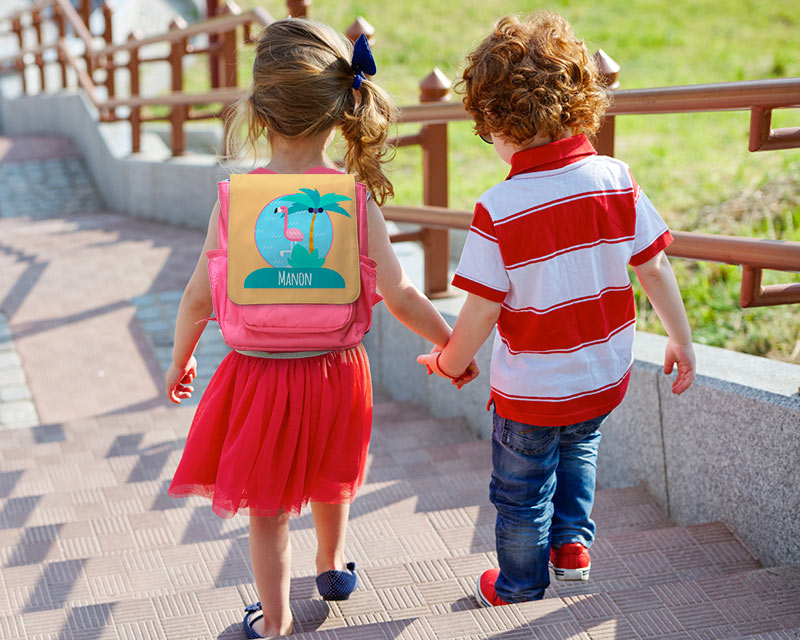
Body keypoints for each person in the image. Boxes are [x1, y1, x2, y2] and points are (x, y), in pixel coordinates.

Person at [164, 19, 475, 638]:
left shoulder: (236, 201)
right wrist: (451, 345)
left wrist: (182, 358)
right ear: (341, 112)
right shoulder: (354, 201)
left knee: (268, 507)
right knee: (336, 470)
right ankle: (332, 565)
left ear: (256, 115)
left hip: (257, 375)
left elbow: (199, 297)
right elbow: (402, 294)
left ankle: (275, 621)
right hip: (337, 373)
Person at [418, 11, 696, 606]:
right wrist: (681, 339)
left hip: (532, 391)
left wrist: (449, 361)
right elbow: (654, 265)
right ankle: (571, 549)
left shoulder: (500, 208)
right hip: (601, 375)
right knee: (579, 452)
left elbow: (481, 312)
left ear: (497, 120)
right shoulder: (615, 179)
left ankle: (520, 584)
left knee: (520, 491)